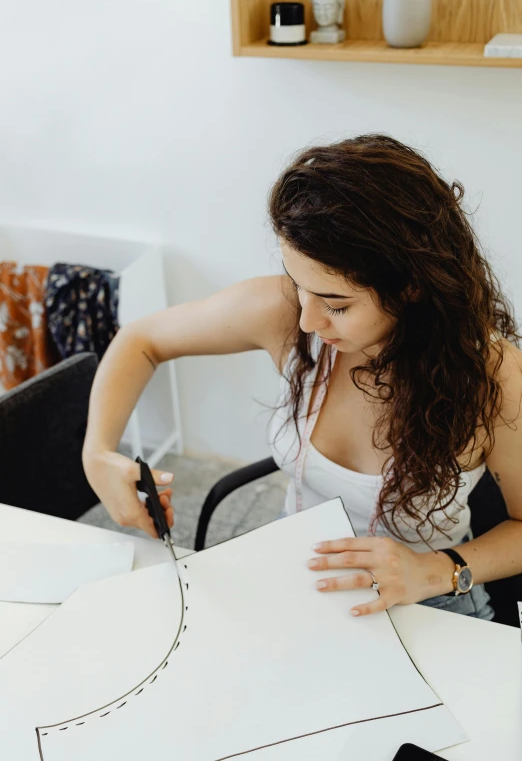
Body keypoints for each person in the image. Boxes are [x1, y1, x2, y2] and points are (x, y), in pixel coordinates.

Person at [83, 134, 522, 621]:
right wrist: (97, 451)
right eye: (298, 284)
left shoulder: (492, 377)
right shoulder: (286, 311)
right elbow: (141, 340)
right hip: (296, 576)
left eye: (337, 304)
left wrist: (435, 571)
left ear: (413, 286)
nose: (309, 321)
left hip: (432, 599)